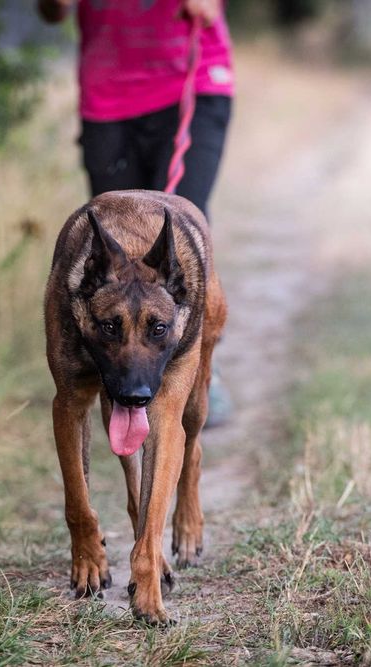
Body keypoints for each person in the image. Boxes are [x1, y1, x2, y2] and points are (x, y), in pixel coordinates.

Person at [38, 0, 235, 426]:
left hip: (191, 76)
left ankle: (197, 368)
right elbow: (52, 12)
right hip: (109, 93)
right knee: (113, 239)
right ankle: (122, 369)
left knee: (181, 227)